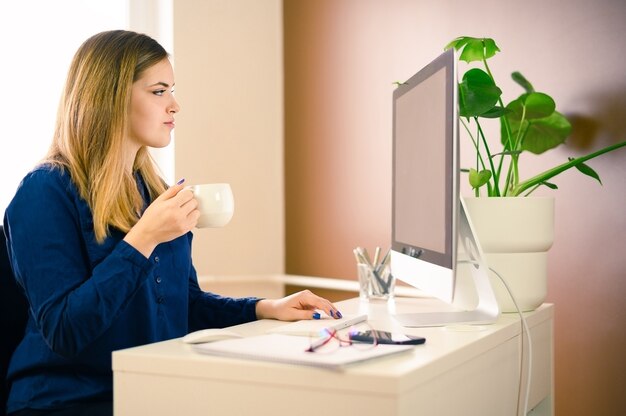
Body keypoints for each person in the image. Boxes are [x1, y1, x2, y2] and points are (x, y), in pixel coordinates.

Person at [2, 30, 342, 416]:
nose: (175, 105)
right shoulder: (44, 192)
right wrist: (143, 238)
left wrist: (265, 307)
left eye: (172, 91)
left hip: (148, 392)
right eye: (159, 91)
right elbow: (65, 330)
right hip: (68, 403)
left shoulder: (153, 190)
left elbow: (184, 305)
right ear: (109, 98)